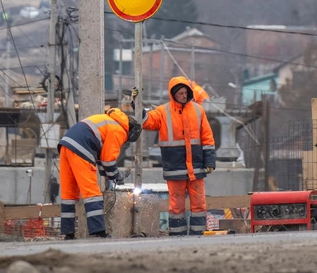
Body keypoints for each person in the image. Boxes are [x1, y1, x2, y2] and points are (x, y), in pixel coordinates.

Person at [132, 77, 216, 236]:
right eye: (180, 93)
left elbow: (207, 138)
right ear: (173, 94)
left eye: (185, 93)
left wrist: (210, 161)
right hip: (175, 168)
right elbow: (146, 121)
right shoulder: (163, 112)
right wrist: (136, 103)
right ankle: (177, 237)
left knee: (199, 205)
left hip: (196, 167)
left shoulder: (198, 110)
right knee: (176, 207)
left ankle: (197, 237)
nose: (184, 96)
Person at [58, 108, 142, 240]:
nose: (124, 142)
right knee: (92, 193)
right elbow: (108, 160)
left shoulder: (108, 120)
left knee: (68, 194)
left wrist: (108, 175)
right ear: (130, 134)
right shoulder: (119, 130)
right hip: (82, 149)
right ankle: (99, 231)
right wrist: (117, 176)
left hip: (66, 145)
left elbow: (101, 159)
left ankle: (68, 233)